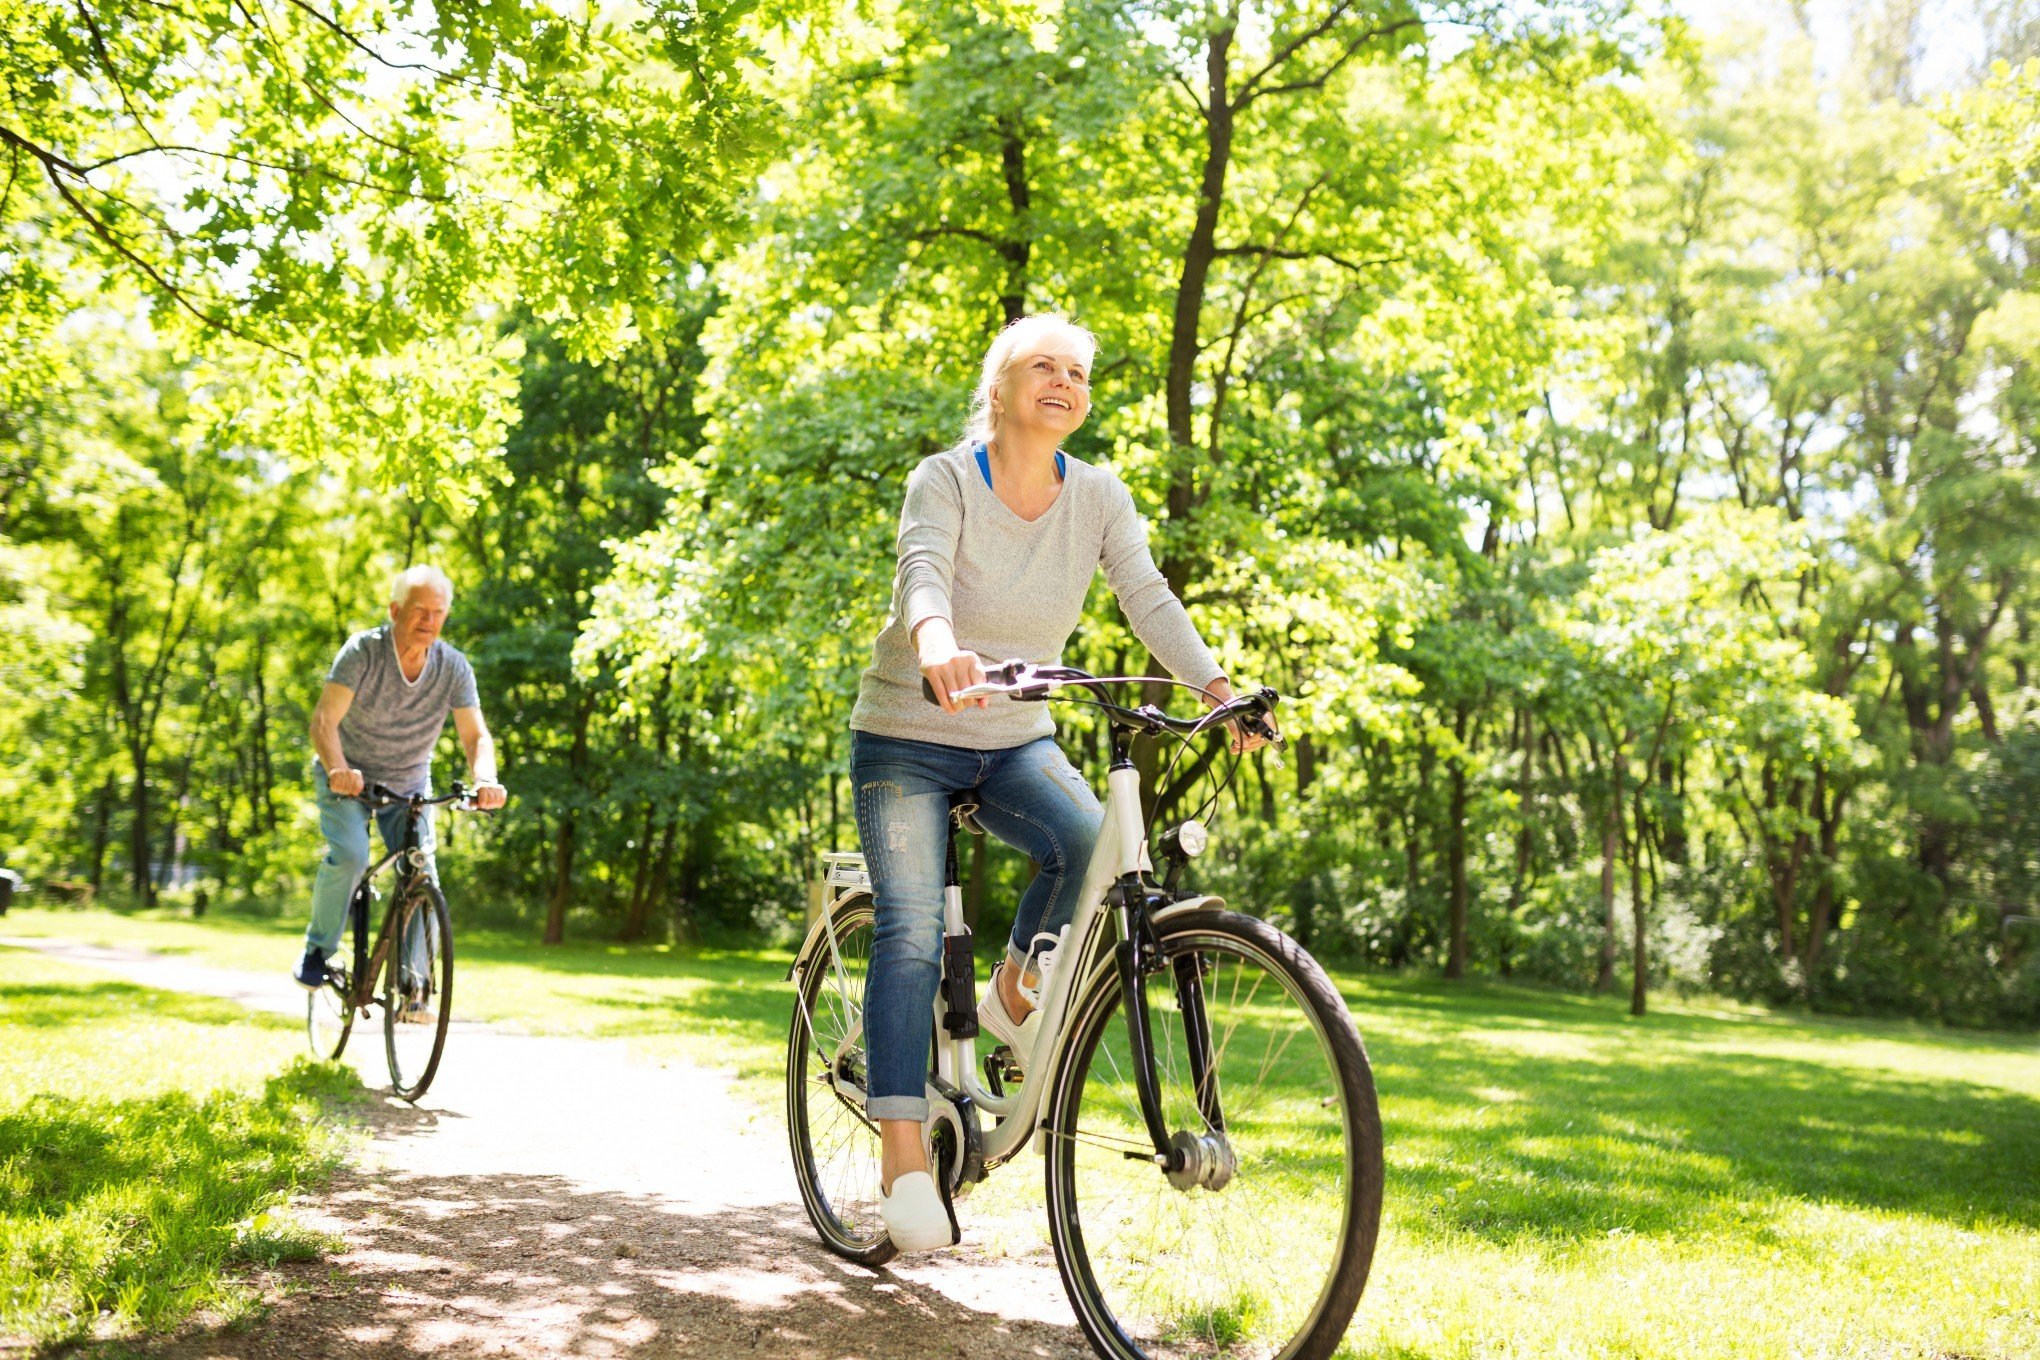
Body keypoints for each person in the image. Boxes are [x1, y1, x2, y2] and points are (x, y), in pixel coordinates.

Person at [847, 313, 1270, 1251]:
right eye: (1044, 366)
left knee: (1089, 845)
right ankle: (904, 1160)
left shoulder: (1102, 496)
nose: (1065, 382)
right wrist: (939, 644)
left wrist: (1217, 688)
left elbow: (1146, 594)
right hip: (909, 732)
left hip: (1014, 736)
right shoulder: (946, 478)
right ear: (999, 389)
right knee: (912, 926)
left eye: (1077, 371)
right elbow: (923, 573)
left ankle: (1007, 995)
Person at [294, 566, 507, 992]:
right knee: (352, 855)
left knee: (421, 870)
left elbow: (475, 735)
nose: (429, 620)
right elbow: (323, 721)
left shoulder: (453, 668)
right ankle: (318, 950)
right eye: (419, 610)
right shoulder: (363, 652)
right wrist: (338, 768)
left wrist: (485, 778)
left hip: (407, 785)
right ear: (395, 610)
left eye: (438, 612)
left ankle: (415, 986)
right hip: (348, 778)